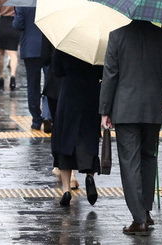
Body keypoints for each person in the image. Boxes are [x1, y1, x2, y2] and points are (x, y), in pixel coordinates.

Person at [99, 20, 162, 236]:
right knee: (148, 157)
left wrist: (105, 110)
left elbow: (110, 75)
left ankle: (139, 218)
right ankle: (145, 211)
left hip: (125, 108)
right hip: (153, 106)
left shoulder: (117, 35)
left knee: (130, 161)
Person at [51, 50, 103, 207]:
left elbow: (56, 70)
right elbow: (103, 71)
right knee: (89, 137)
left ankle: (66, 189)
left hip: (68, 96)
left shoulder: (64, 46)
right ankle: (89, 175)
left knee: (65, 140)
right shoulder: (96, 46)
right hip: (91, 95)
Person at [12, 0, 53, 132]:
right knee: (50, 83)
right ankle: (48, 115)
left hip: (30, 49)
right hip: (49, 47)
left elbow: (17, 25)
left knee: (33, 85)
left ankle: (36, 119)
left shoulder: (24, 0)